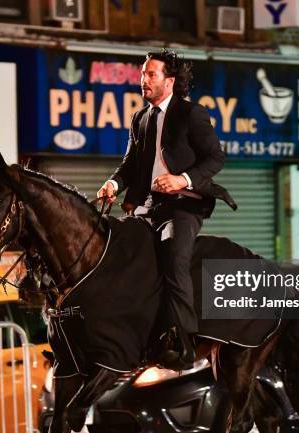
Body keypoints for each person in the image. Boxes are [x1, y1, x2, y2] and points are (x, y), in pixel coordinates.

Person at [97, 49, 233, 369]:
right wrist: (113, 185)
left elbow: (215, 159)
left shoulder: (191, 114)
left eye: (151, 74)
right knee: (118, 251)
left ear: (169, 81)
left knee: (173, 257)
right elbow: (130, 165)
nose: (143, 80)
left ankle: (184, 340)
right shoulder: (140, 118)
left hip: (185, 204)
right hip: (149, 205)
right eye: (143, 74)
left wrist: (181, 180)